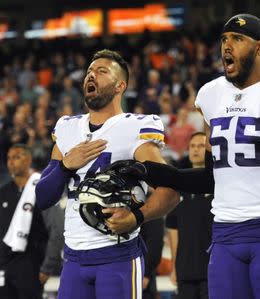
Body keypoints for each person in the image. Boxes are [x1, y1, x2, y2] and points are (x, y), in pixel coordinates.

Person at [107, 13, 260, 299]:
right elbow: (211, 178)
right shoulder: (211, 95)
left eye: (238, 39)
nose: (227, 46)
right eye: (224, 39)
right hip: (224, 234)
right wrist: (150, 171)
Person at [35, 49, 179, 299]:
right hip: (73, 257)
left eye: (102, 71)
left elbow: (171, 191)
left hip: (117, 255)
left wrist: (136, 217)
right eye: (90, 71)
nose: (91, 75)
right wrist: (65, 166)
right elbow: (43, 197)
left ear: (119, 85)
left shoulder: (135, 127)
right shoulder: (67, 128)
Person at [0, 144, 63, 299]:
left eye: (17, 157)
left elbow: (57, 229)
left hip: (32, 266)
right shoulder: (4, 191)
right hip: (4, 267)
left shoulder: (42, 188)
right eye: (9, 158)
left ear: (28, 160)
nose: (11, 162)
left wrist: (47, 267)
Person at [166, 132, 213, 299]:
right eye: (192, 146)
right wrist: (174, 267)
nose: (196, 150)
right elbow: (173, 229)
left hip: (212, 268)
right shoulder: (180, 186)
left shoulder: (217, 185)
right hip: (185, 270)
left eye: (201, 146)